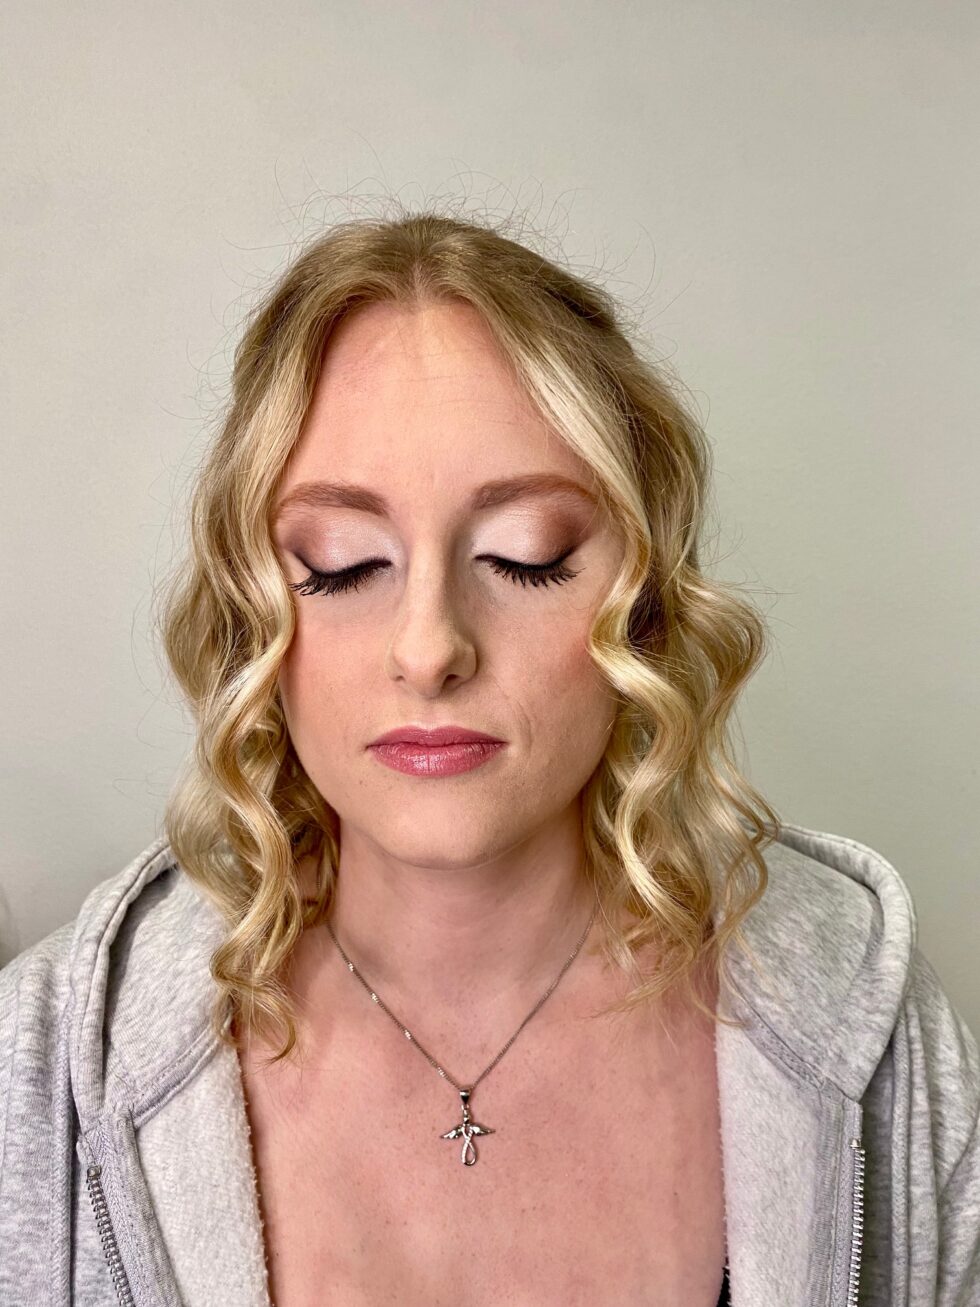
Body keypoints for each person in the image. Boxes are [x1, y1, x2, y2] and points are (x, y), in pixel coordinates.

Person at [0, 211, 977, 1307]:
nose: (429, 649)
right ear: (253, 606)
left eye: (525, 556)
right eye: (341, 564)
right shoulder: (45, 1065)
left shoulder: (864, 1025)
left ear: (644, 600)